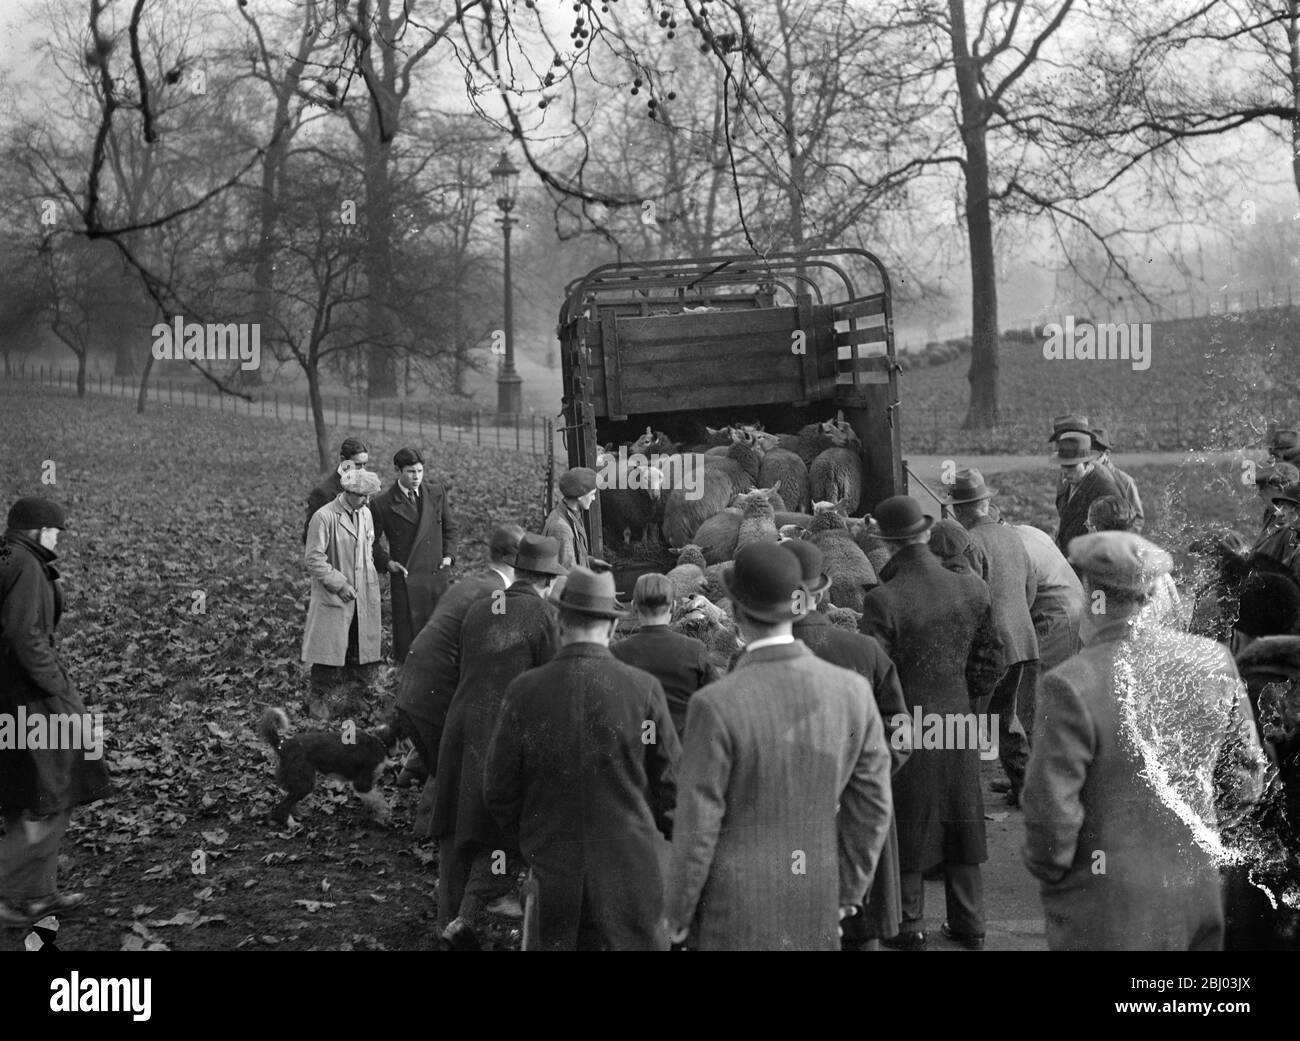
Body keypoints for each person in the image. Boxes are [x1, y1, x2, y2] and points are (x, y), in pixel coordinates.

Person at [1021, 532, 1265, 950]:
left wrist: (1053, 870)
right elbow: (1247, 776)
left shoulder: (1071, 683)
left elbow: (1051, 810)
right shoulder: (1213, 660)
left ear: (1093, 592)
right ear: (1153, 592)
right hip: (1195, 885)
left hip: (1105, 902)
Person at [664, 542, 893, 950]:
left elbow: (698, 824)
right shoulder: (852, 692)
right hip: (816, 900)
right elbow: (873, 806)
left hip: (733, 912)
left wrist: (678, 915)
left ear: (734, 614)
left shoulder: (714, 704)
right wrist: (847, 894)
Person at [484, 566, 680, 950]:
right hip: (631, 876)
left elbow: (498, 791)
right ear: (610, 629)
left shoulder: (524, 692)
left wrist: (535, 842)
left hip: (554, 875)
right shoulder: (643, 690)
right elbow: (671, 788)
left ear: (559, 621)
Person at [858, 496, 1005, 950]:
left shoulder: (883, 600)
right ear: (925, 533)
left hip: (908, 725)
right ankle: (970, 924)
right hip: (958, 718)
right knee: (961, 815)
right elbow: (993, 656)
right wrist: (964, 697)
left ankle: (909, 926)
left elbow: (874, 674)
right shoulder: (972, 587)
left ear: (885, 542)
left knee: (909, 819)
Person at [431, 534, 566, 946]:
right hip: (504, 731)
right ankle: (473, 918)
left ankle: (446, 920)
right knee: (498, 831)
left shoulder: (480, 607)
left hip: (460, 727)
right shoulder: (543, 615)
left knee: (457, 824)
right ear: (547, 579)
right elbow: (549, 685)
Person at [784, 539, 910, 950]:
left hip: (790, 818)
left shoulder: (754, 658)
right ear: (824, 591)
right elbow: (901, 731)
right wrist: (867, 774)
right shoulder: (864, 650)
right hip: (861, 812)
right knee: (861, 929)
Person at [0, 497, 111, 927]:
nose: (57, 539)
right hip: (30, 695)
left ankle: (35, 894)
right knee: (52, 790)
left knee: (26, 792)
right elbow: (25, 636)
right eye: (54, 531)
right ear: (37, 531)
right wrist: (60, 690)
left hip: (11, 694)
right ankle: (11, 892)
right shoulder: (27, 566)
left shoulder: (8, 555)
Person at [395, 523, 522, 805]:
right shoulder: (498, 595)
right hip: (431, 697)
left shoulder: (469, 583)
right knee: (458, 766)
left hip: (410, 689)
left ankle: (416, 768)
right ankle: (430, 828)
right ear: (516, 560)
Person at [947, 469, 1039, 807]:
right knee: (1003, 714)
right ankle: (1025, 785)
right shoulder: (1012, 535)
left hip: (992, 647)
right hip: (1020, 638)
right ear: (986, 502)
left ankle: (964, 795)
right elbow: (1030, 586)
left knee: (969, 719)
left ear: (958, 510)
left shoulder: (971, 543)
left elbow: (975, 599)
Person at [302, 468, 384, 721]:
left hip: (363, 593)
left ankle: (356, 700)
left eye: (369, 496)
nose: (367, 501)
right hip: (335, 596)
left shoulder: (366, 513)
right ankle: (318, 700)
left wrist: (371, 581)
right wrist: (340, 584)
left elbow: (367, 550)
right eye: (362, 496)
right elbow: (314, 559)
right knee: (328, 653)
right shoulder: (324, 517)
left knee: (361, 650)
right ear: (347, 492)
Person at [370, 447, 459, 666]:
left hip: (436, 575)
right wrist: (388, 563)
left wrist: (449, 556)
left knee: (438, 637)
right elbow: (370, 542)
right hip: (405, 578)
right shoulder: (383, 503)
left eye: (420, 471)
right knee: (408, 642)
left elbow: (451, 529)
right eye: (410, 471)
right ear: (397, 470)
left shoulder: (436, 493)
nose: (417, 477)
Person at [610, 573, 711, 739]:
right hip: (683, 751)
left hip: (638, 752)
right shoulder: (694, 650)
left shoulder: (616, 653)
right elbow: (714, 702)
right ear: (674, 606)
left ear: (634, 606)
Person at [1086, 495, 1186, 628]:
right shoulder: (1152, 559)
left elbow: (1097, 626)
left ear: (1095, 529)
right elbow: (1179, 618)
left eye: (1087, 525)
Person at [1053, 432, 1121, 554]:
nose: (1065, 472)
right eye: (1063, 465)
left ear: (1088, 463)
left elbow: (1110, 543)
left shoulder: (1105, 491)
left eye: (1072, 466)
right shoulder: (1068, 482)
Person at [303, 437, 370, 542]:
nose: (362, 470)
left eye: (364, 464)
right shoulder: (323, 493)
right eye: (357, 464)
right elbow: (310, 537)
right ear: (343, 460)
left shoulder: (364, 489)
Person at [543, 467, 598, 570]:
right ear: (580, 496)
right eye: (592, 494)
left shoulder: (570, 514)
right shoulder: (561, 529)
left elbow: (573, 554)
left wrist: (591, 562)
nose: (594, 498)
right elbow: (566, 573)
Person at [1090, 428, 1144, 531]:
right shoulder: (1083, 478)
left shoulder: (1125, 481)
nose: (1090, 460)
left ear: (1106, 454)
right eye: (1087, 454)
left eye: (1094, 454)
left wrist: (1120, 540)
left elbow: (1137, 520)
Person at [1252, 462, 1300, 553]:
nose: (1258, 493)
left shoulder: (1293, 526)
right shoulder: (1271, 513)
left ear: (1279, 488)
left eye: (1262, 488)